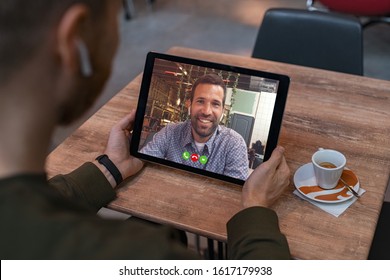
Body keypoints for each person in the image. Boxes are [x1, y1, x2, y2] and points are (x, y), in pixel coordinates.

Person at [0, 0, 291, 259]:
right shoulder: (145, 256)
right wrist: (256, 207)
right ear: (72, 41)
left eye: (215, 104)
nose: (206, 110)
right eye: (114, 16)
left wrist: (111, 166)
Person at [141, 74, 249, 180]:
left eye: (215, 104)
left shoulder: (234, 144)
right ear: (190, 104)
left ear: (222, 110)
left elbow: (233, 193)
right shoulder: (170, 132)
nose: (206, 111)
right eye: (200, 101)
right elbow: (141, 161)